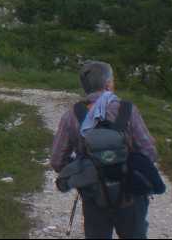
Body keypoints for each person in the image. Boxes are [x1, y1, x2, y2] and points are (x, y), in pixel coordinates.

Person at [50, 61, 158, 239]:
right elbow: (149, 152)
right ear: (108, 84)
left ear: (85, 87)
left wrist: (83, 170)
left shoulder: (72, 115)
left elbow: (57, 160)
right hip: (130, 194)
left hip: (94, 195)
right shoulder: (127, 110)